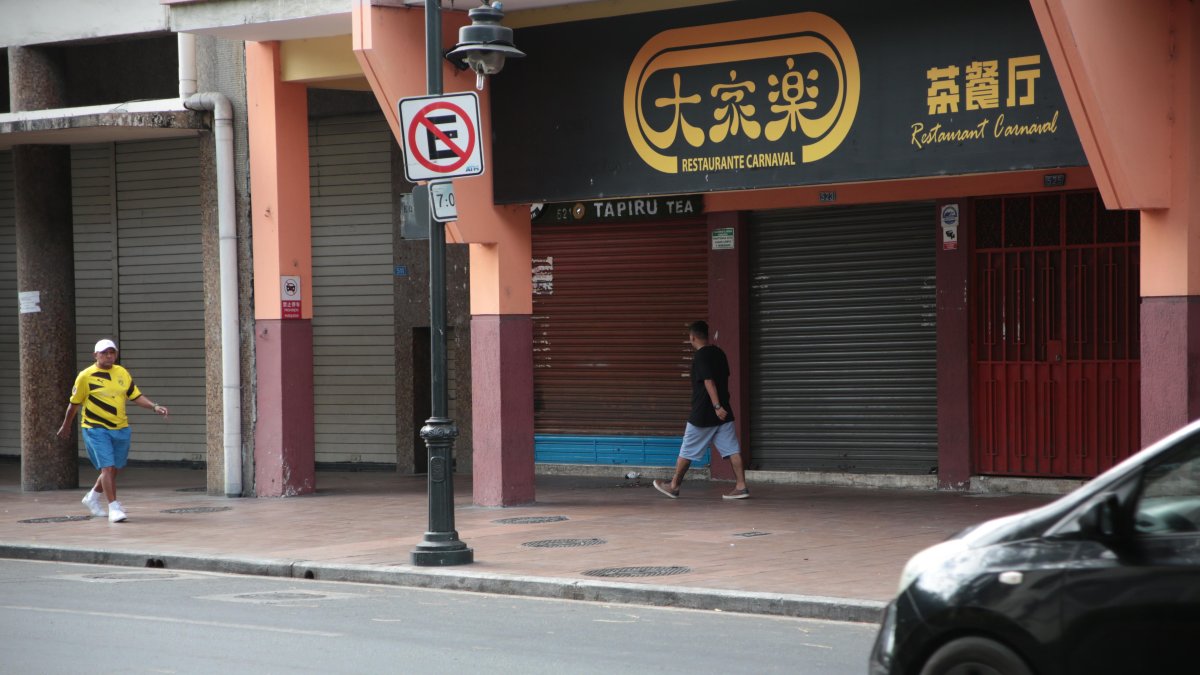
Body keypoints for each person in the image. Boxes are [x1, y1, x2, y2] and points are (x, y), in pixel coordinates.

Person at [56, 339, 169, 523]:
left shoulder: (121, 372)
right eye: (104, 353)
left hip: (120, 427)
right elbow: (73, 404)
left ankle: (92, 497)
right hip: (95, 428)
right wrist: (66, 425)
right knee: (107, 467)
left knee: (114, 469)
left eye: (112, 353)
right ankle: (113, 507)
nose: (109, 356)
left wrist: (154, 406)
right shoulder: (85, 376)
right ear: (95, 355)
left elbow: (135, 395)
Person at [654, 320, 750, 500]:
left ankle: (674, 486)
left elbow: (708, 381)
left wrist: (716, 406)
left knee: (687, 450)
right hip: (723, 414)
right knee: (732, 449)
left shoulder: (701, 356)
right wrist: (721, 407)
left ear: (692, 337)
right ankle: (741, 486)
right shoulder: (720, 353)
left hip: (705, 413)